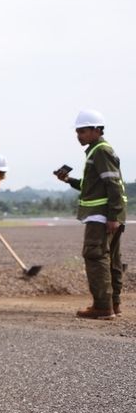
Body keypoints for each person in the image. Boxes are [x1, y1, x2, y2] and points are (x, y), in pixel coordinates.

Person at [54, 109, 127, 320]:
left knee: (95, 256)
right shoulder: (97, 152)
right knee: (111, 258)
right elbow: (90, 186)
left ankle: (103, 306)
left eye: (83, 131)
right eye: (77, 132)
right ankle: (114, 304)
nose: (79, 136)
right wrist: (68, 180)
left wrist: (112, 216)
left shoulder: (100, 151)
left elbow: (113, 183)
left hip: (102, 216)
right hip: (109, 215)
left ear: (96, 130)